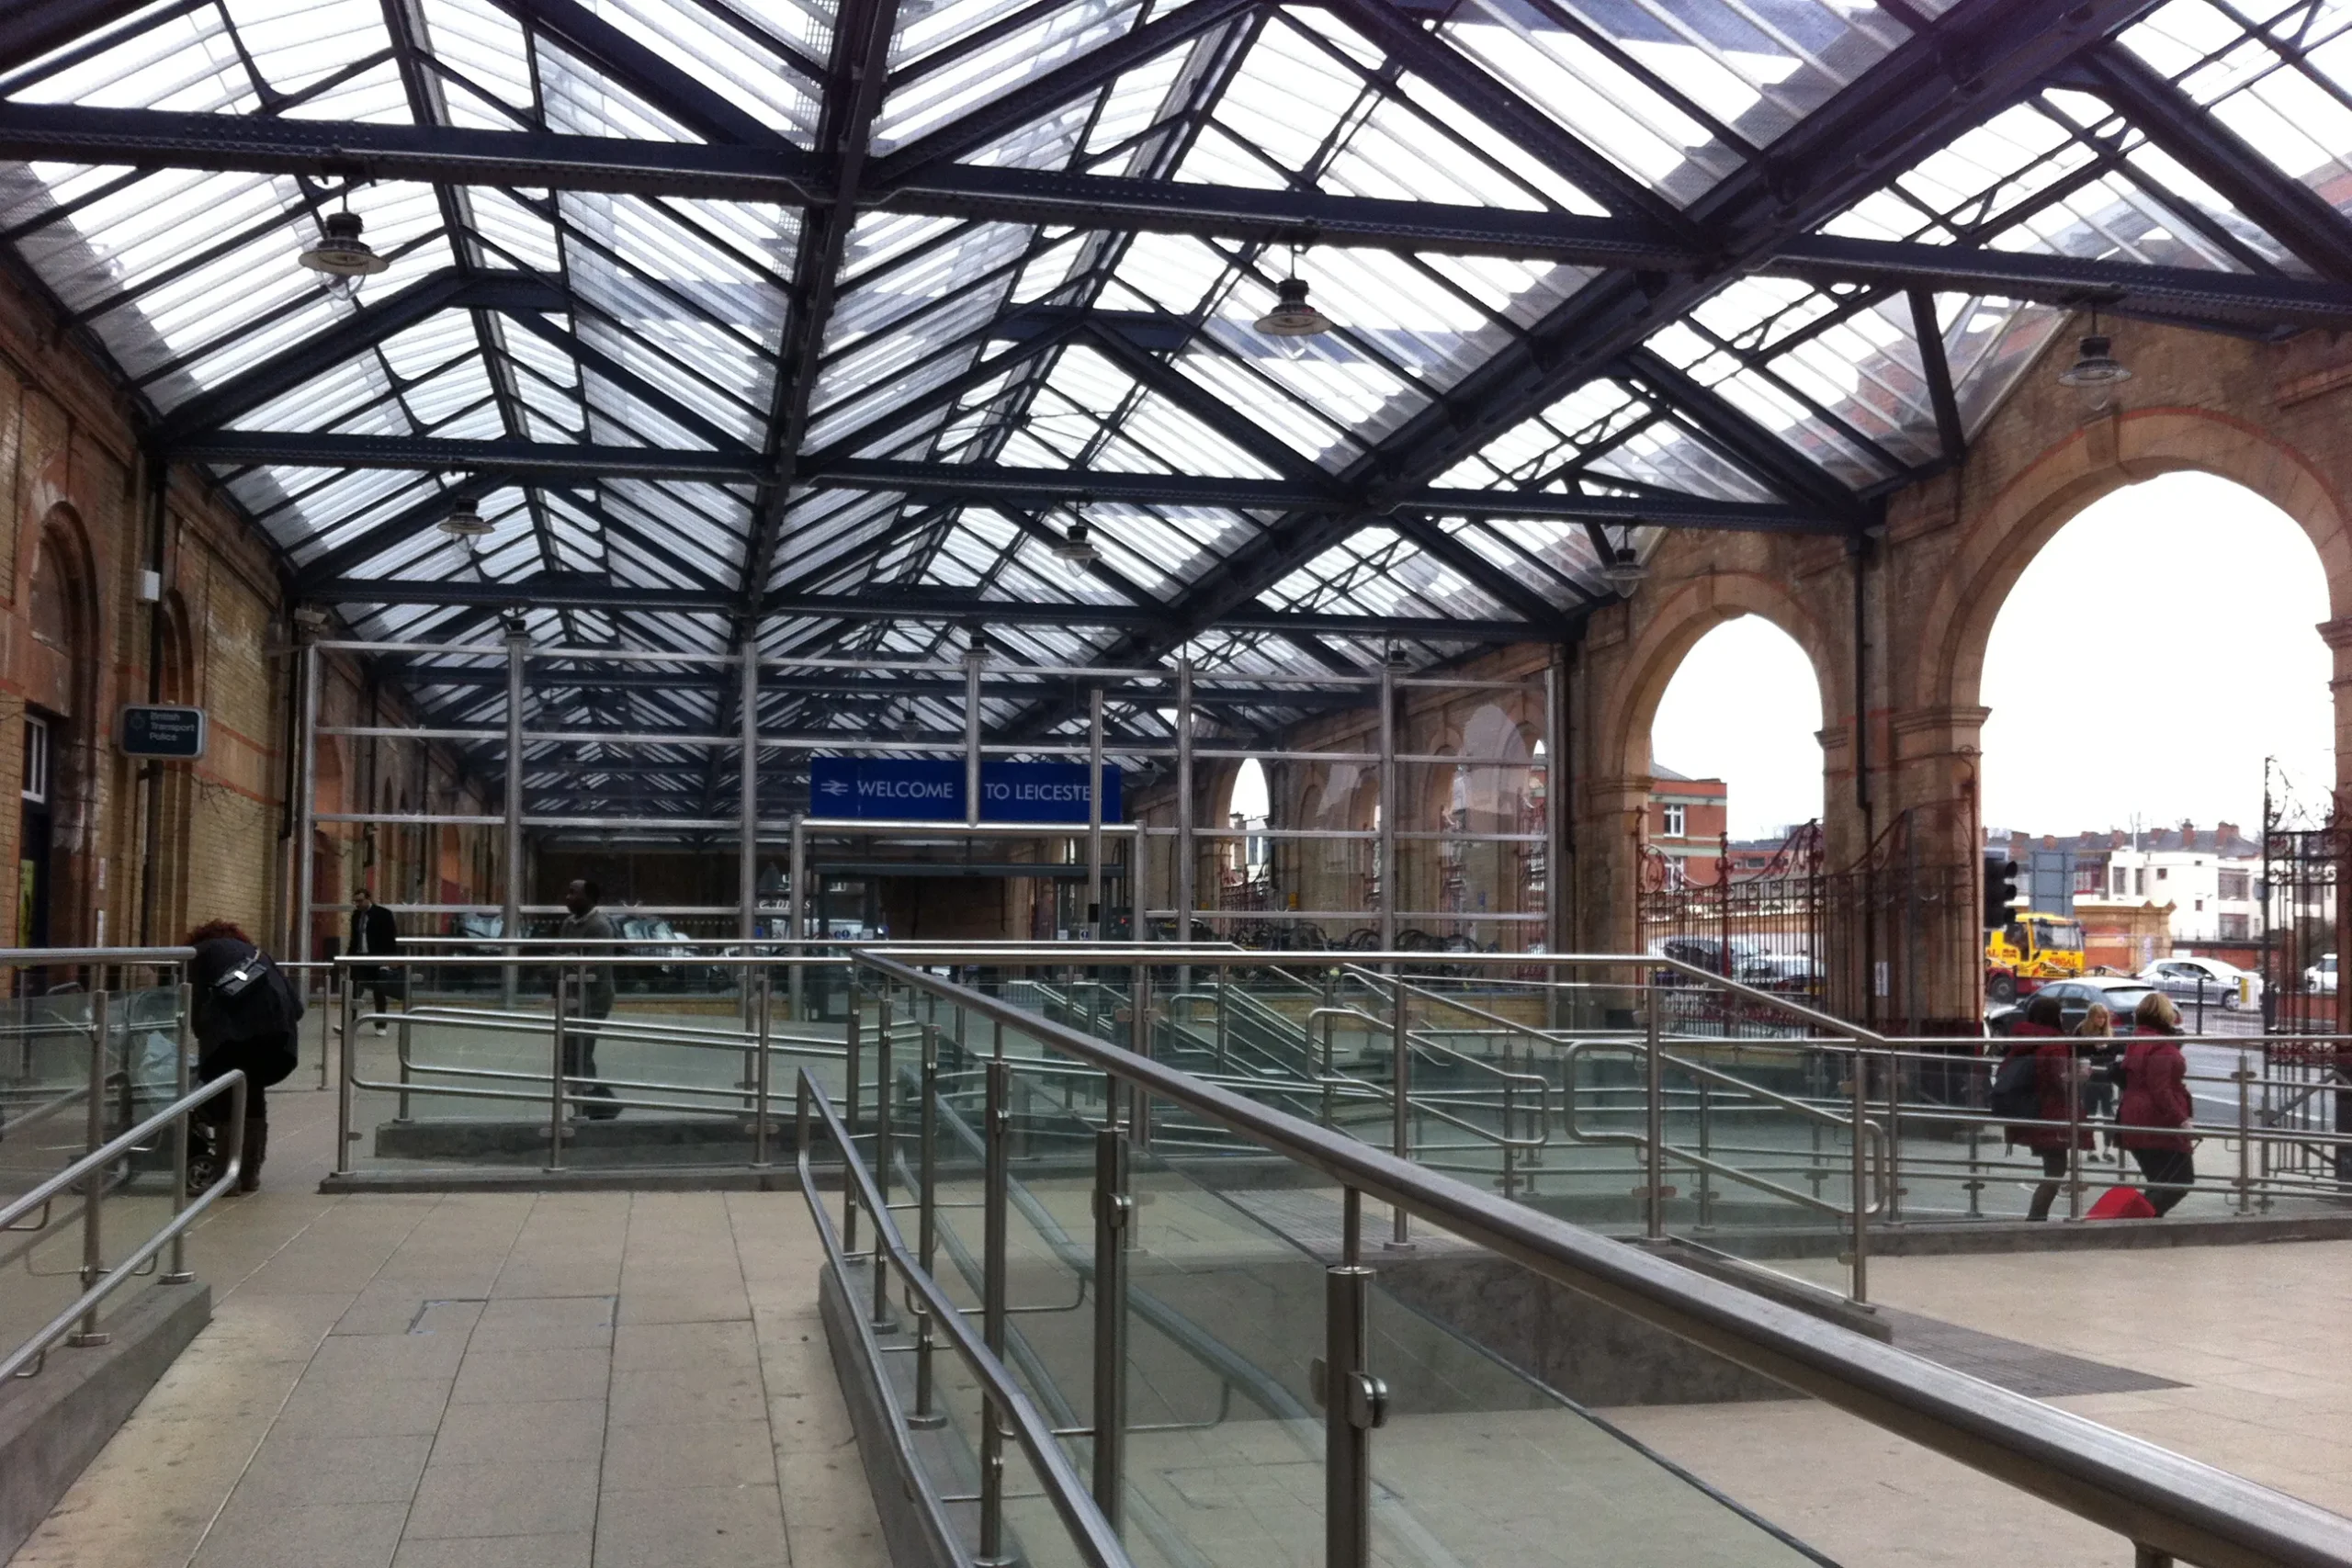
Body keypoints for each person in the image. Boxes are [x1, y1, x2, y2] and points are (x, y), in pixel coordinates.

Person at [184, 919, 303, 1193]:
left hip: (233, 1032)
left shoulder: (200, 953)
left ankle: (227, 1176)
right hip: (276, 1033)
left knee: (226, 1098)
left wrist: (203, 1034)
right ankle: (249, 1173)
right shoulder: (256, 953)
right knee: (253, 1093)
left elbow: (197, 1002)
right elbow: (297, 1006)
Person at [2001, 992, 2094, 1221]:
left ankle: (2037, 1217)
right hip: (2053, 1116)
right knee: (2055, 1172)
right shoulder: (2054, 1044)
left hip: (2032, 1114)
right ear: (2056, 1017)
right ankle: (2036, 1218)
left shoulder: (2025, 1041)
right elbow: (2059, 1080)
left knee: (2053, 1170)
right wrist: (2081, 1075)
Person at [2117, 991, 2197, 1214]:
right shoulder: (2160, 1046)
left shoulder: (2138, 1040)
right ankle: (2132, 1222)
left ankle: (2138, 1222)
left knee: (2160, 1180)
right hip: (2157, 1123)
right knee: (2179, 1181)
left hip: (2134, 1118)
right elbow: (2160, 1090)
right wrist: (2181, 1120)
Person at [557, 878, 622, 1119]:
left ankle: (598, 1106)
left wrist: (570, 963)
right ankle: (595, 1105)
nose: (568, 897)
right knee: (571, 1054)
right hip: (572, 996)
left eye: (573, 893)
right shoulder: (568, 924)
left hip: (594, 999)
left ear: (589, 898)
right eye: (568, 891)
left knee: (580, 1052)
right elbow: (562, 957)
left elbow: (594, 968)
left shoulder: (600, 927)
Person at [347, 887, 403, 1035]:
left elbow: (390, 939)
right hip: (359, 957)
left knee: (379, 992)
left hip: (376, 957)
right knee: (353, 992)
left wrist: (390, 959)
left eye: (360, 901)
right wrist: (349, 957)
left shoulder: (383, 915)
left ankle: (381, 1025)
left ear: (368, 899)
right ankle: (350, 1023)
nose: (357, 904)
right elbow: (354, 939)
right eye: (355, 902)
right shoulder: (356, 916)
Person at [2074, 1003, 2120, 1161]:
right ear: (2091, 1017)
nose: (2101, 1021)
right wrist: (2093, 1049)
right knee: (2089, 1112)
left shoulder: (2108, 1033)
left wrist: (2107, 1049)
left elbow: (2115, 1053)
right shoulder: (2081, 1031)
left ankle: (2108, 1147)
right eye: (2098, 1017)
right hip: (2089, 1078)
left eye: (2104, 1017)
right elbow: (2076, 1051)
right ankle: (2090, 1148)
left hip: (2105, 1077)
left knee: (2109, 1113)